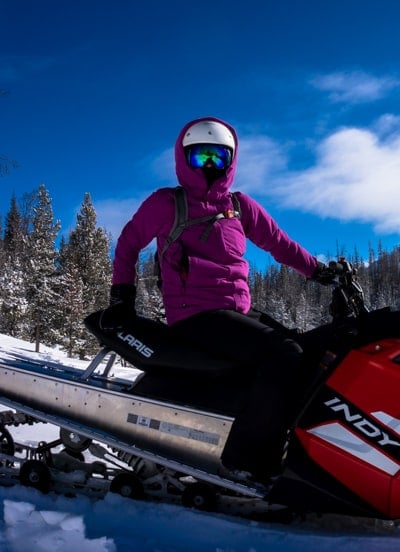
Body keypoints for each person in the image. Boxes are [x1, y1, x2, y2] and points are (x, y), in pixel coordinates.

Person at [109, 116, 334, 483]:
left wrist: (320, 272)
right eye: (201, 158)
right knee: (284, 353)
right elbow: (129, 242)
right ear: (184, 160)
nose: (210, 166)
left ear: (231, 161)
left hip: (233, 314)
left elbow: (279, 244)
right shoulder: (169, 203)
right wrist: (122, 293)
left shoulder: (239, 207)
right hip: (195, 317)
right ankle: (247, 462)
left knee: (308, 352)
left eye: (218, 158)